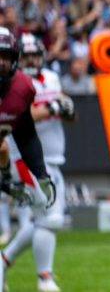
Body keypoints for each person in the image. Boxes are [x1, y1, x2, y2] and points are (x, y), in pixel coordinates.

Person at [2, 35, 74, 292]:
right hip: (24, 158)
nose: (32, 60)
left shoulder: (51, 78)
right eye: (28, 55)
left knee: (44, 220)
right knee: (50, 219)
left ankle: (4, 260)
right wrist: (53, 107)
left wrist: (65, 108)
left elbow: (64, 110)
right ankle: (44, 277)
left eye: (36, 55)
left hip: (52, 158)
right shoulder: (16, 83)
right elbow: (20, 114)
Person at [0, 27, 54, 289]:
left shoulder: (22, 88)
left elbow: (25, 135)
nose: (1, 63)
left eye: (6, 56)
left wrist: (40, 174)